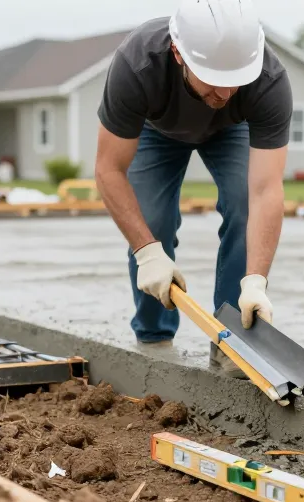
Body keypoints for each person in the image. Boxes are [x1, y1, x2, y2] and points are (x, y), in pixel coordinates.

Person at [94, 0, 293, 378]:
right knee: (153, 220)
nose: (227, 90)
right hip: (156, 129)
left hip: (232, 130)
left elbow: (266, 190)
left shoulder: (267, 80)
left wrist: (255, 281)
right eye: (214, 77)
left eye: (237, 78)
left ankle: (233, 342)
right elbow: (108, 169)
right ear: (177, 53)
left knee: (243, 203)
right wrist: (147, 252)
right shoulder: (137, 64)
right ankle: (153, 337)